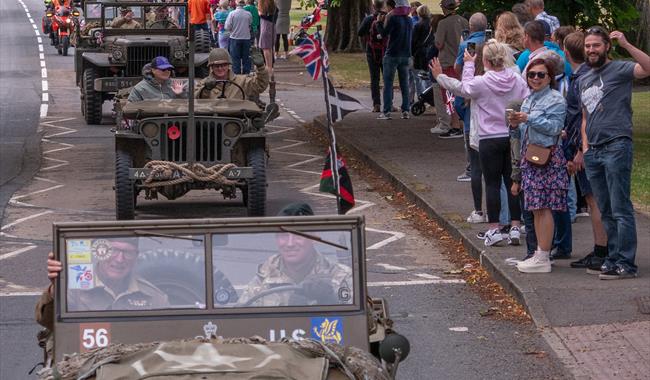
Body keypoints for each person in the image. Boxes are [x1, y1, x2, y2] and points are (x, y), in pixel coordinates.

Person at [434, 40, 529, 247]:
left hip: (488, 138)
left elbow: (462, 88)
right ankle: (515, 226)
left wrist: (443, 74)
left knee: (493, 184)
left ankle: (494, 229)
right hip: (512, 135)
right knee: (512, 182)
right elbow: (526, 99)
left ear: (485, 60)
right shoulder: (516, 79)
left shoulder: (482, 82)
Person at [579, 27, 650, 279]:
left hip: (617, 145)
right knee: (605, 209)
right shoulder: (583, 78)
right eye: (588, 46)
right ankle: (612, 257)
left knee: (621, 208)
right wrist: (585, 148)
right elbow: (585, 116)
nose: (591, 50)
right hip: (594, 151)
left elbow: (648, 68)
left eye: (596, 45)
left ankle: (626, 263)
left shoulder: (620, 69)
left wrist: (627, 45)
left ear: (606, 47)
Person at [509, 58, 567, 273]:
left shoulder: (555, 100)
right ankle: (539, 253)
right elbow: (524, 132)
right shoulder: (529, 99)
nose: (535, 78)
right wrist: (515, 125)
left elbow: (555, 128)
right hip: (531, 157)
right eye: (531, 74)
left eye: (540, 74)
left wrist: (529, 119)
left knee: (543, 208)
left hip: (548, 159)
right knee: (535, 208)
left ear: (549, 77)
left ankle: (543, 255)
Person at [35, 240, 169, 330]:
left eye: (128, 252)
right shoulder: (73, 286)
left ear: (136, 256)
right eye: (113, 250)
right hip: (85, 364)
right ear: (99, 252)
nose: (119, 259)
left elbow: (166, 335)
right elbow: (47, 322)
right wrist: (56, 289)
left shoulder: (153, 295)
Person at [238, 203, 353, 307]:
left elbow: (361, 323)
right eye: (283, 235)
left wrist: (331, 301)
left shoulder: (340, 276)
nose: (290, 244)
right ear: (276, 239)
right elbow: (239, 321)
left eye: (298, 234)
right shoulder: (264, 277)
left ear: (313, 237)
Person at [559, 31, 608, 270]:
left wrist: (579, 150)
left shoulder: (581, 80)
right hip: (584, 145)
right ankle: (602, 247)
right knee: (594, 199)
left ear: (566, 53)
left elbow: (583, 117)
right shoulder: (587, 75)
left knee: (593, 199)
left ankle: (602, 249)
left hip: (586, 149)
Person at [453, 12, 486, 182]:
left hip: (471, 89)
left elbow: (458, 67)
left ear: (471, 27)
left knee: (469, 127)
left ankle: (471, 168)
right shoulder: (490, 43)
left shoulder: (469, 44)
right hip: (488, 89)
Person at [433, 0, 468, 138]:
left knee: (449, 97)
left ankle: (455, 126)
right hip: (462, 63)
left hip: (448, 63)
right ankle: (462, 123)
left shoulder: (443, 23)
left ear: (443, 8)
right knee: (461, 94)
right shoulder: (464, 21)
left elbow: (439, 43)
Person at [376, 0, 413, 120]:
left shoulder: (393, 19)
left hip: (392, 54)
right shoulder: (409, 20)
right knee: (404, 84)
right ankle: (406, 110)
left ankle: (386, 111)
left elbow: (384, 34)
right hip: (405, 54)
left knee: (388, 84)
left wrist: (379, 23)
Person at [195, 47, 269, 100]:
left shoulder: (242, 81)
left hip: (237, 119)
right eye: (216, 66)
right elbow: (196, 100)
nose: (220, 68)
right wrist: (206, 89)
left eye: (223, 65)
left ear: (228, 65)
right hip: (212, 119)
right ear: (211, 67)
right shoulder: (203, 84)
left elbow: (260, 85)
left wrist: (261, 67)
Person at [358, 0, 388, 113]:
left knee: (374, 79)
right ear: (383, 5)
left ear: (374, 6)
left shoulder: (369, 19)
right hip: (385, 52)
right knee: (387, 79)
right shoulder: (388, 17)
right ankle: (388, 103)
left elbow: (360, 32)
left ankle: (376, 104)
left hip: (372, 52)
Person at [225, 0, 253, 74]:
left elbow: (227, 27)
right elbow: (250, 25)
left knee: (235, 59)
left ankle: (236, 76)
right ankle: (246, 76)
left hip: (234, 37)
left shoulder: (232, 14)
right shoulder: (248, 14)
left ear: (236, 4)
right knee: (246, 59)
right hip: (246, 38)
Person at [410, 5, 431, 98]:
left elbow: (413, 41)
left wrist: (411, 53)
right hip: (430, 51)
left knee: (420, 77)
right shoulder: (432, 24)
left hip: (420, 53)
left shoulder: (418, 25)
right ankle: (429, 96)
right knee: (429, 76)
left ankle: (422, 96)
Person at [257, 0, 278, 74]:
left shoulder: (263, 7)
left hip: (265, 28)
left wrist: (260, 14)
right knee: (270, 48)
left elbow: (263, 15)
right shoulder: (274, 5)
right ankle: (271, 66)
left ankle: (268, 67)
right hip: (272, 27)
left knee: (265, 48)